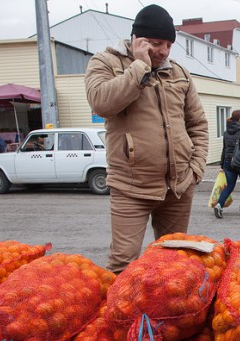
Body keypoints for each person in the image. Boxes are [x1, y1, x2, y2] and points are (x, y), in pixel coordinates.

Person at [84, 4, 209, 274]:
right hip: (131, 188)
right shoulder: (106, 62)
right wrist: (139, 67)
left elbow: (198, 124)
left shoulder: (179, 73)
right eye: (155, 43)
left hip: (178, 187)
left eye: (167, 44)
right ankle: (122, 316)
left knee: (173, 263)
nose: (162, 51)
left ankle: (163, 315)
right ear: (137, 39)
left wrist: (196, 169)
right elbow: (102, 103)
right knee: (122, 265)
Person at [214, 109, 240, 218]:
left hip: (228, 162)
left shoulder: (226, 131)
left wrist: (222, 165)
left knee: (230, 186)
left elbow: (224, 149)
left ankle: (219, 205)